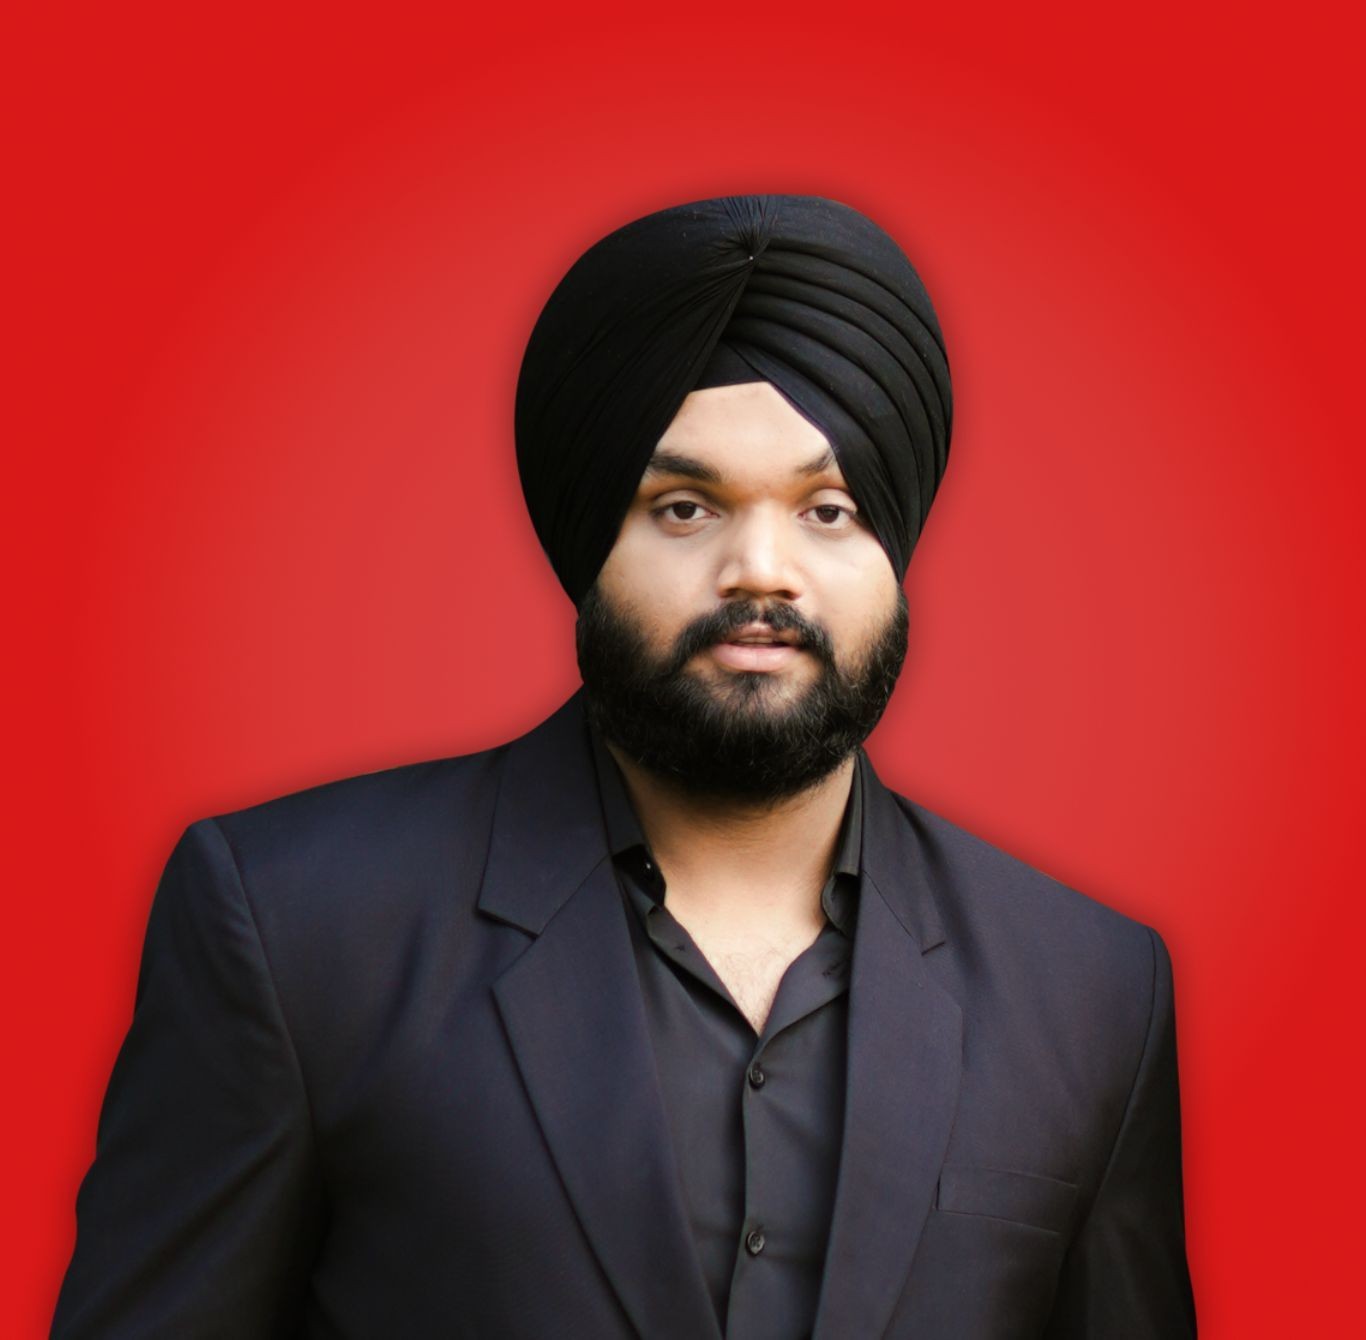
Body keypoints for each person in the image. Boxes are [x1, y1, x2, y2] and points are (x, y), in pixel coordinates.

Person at [52, 194, 1197, 1339]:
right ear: (590, 544)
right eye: (685, 506)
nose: (762, 569)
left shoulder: (1090, 991)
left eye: (829, 507)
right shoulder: (297, 925)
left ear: (894, 550)